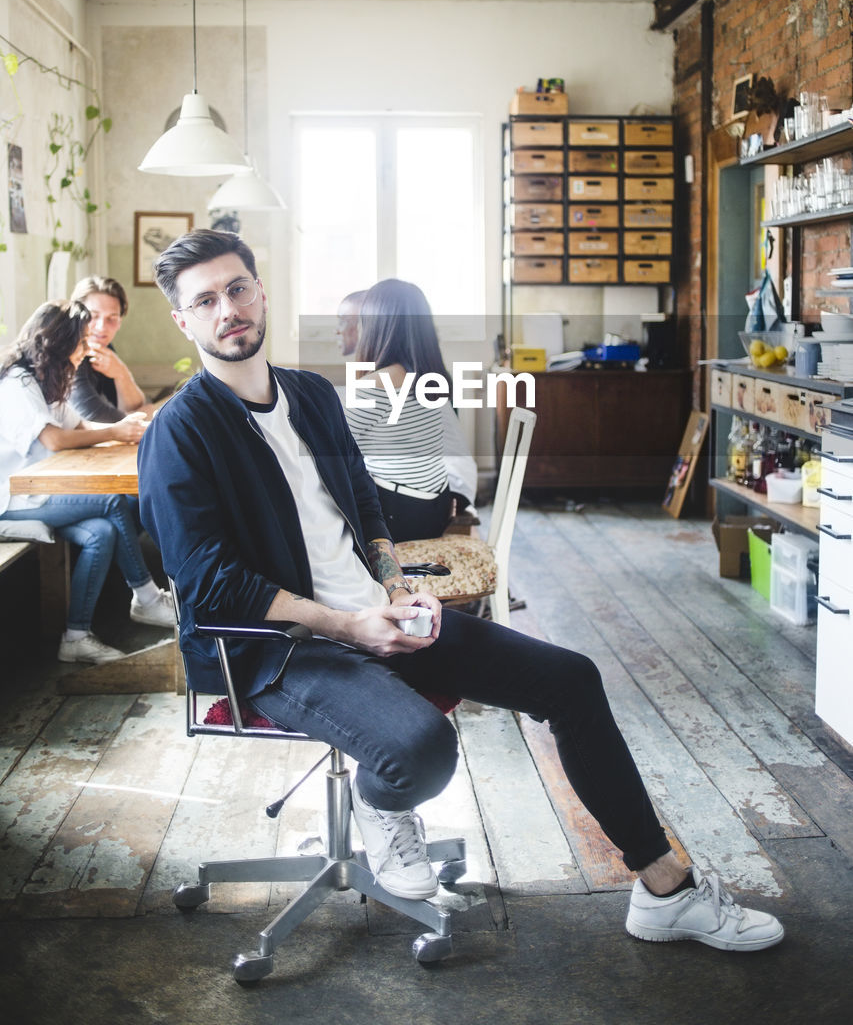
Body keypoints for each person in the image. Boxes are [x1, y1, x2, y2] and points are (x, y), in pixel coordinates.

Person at [138, 229, 783, 952]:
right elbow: (208, 582)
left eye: (235, 289)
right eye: (204, 300)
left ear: (259, 292)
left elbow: (366, 504)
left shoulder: (313, 395)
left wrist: (393, 587)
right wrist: (349, 627)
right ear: (183, 319)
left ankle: (665, 887)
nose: (226, 309)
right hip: (280, 650)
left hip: (379, 615)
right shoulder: (180, 431)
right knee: (422, 751)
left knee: (570, 679)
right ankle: (378, 802)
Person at [0, 301, 175, 664]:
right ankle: (147, 598)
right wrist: (115, 429)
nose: (85, 349)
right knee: (111, 500)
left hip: (41, 492)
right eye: (80, 342)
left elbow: (78, 426)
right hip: (12, 498)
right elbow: (54, 440)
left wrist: (127, 432)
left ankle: (76, 637)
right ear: (59, 343)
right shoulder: (18, 383)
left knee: (101, 532)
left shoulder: (47, 378)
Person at [339, 280, 478, 534]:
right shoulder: (428, 378)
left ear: (376, 325)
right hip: (432, 508)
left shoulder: (382, 381)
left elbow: (334, 441)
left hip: (401, 516)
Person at [68, 275, 157, 421]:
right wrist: (142, 414)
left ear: (120, 322)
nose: (102, 327)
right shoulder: (69, 352)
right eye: (93, 316)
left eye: (112, 318)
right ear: (76, 315)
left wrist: (121, 374)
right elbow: (93, 417)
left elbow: (131, 406)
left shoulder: (102, 346)